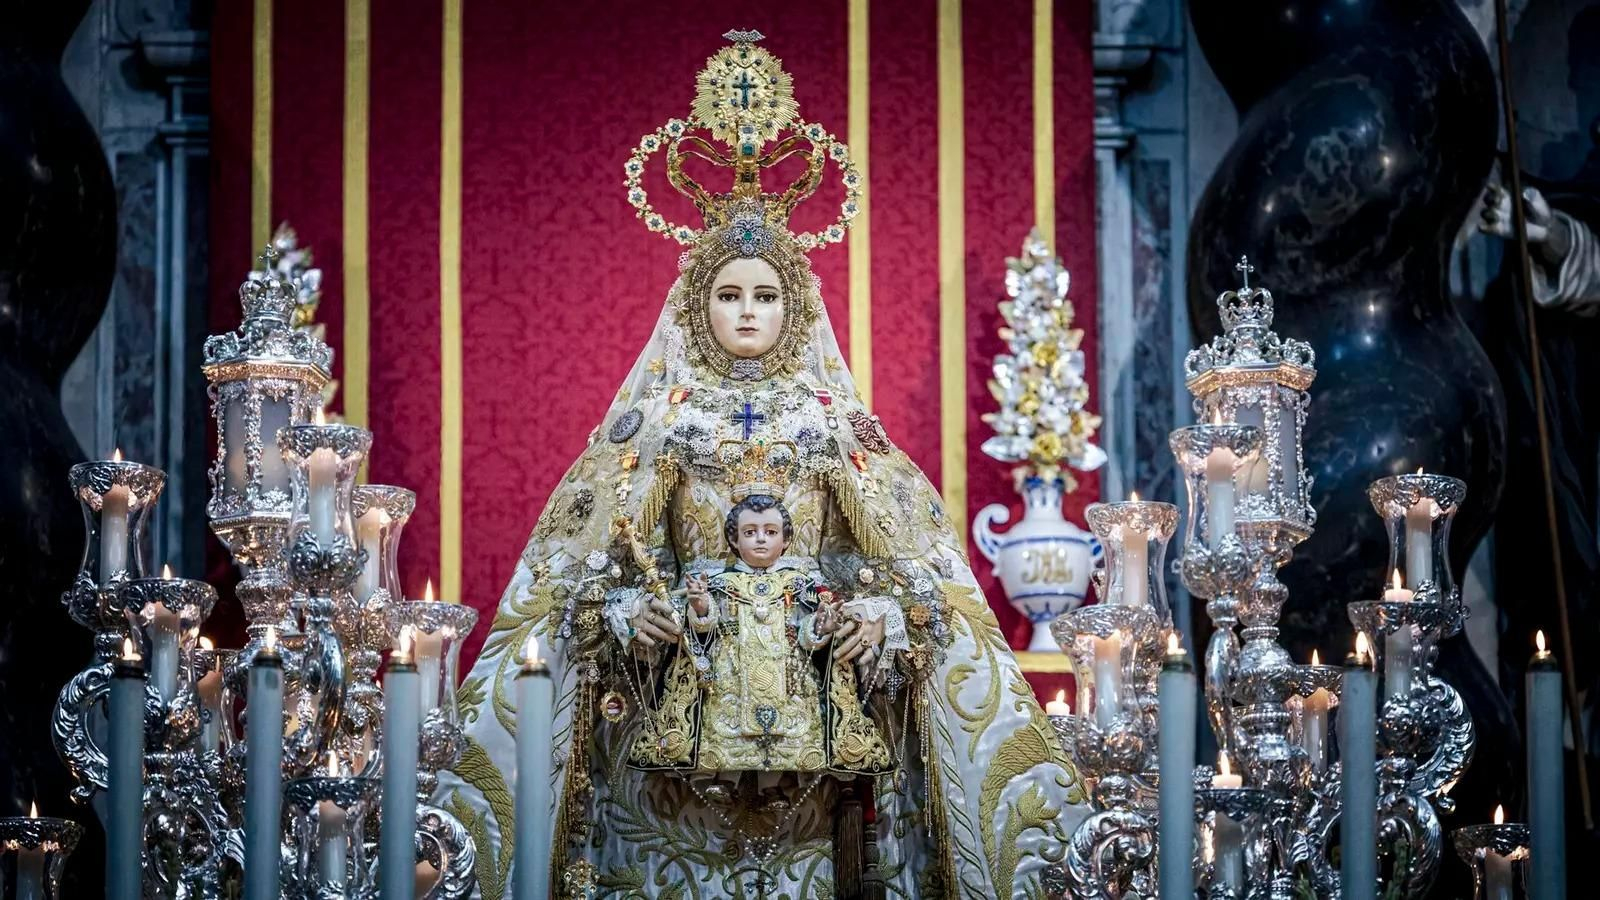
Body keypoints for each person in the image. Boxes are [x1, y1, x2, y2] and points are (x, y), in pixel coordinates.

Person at [442, 31, 1085, 899]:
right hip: (673, 747)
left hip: (815, 752)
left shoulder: (833, 426)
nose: (748, 312)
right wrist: (635, 613)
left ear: (797, 305)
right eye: (730, 294)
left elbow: (920, 584)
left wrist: (880, 620)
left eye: (766, 294)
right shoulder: (657, 428)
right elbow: (576, 584)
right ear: (698, 308)